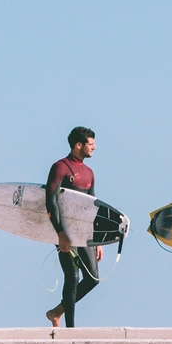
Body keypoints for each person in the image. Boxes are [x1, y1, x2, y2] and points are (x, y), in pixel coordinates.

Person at [44, 126, 103, 328]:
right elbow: (50, 201)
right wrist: (60, 233)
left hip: (83, 233)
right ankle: (70, 329)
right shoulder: (60, 167)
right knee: (73, 277)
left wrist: (98, 240)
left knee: (93, 279)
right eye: (91, 144)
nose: (94, 147)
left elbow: (91, 208)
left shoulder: (89, 173)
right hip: (64, 233)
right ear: (79, 145)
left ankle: (56, 312)